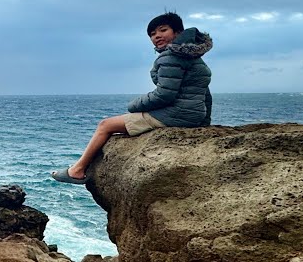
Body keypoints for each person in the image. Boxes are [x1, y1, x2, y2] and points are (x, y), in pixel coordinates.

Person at [51, 12, 213, 184]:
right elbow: (205, 93)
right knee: (121, 127)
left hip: (176, 114)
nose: (157, 36)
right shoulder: (193, 57)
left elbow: (165, 94)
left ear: (178, 33)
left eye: (162, 30)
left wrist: (134, 105)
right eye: (152, 34)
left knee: (106, 125)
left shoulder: (171, 57)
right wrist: (203, 120)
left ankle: (77, 170)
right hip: (192, 115)